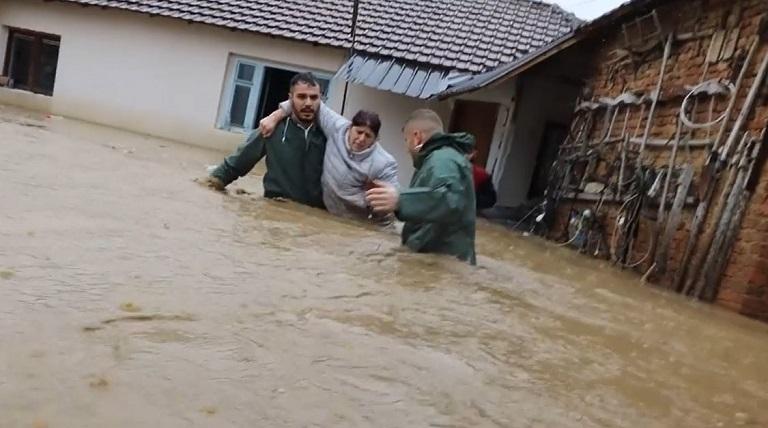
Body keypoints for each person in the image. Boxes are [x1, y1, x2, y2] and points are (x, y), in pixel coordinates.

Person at [365, 109, 477, 264]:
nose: (406, 148)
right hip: (439, 260)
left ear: (417, 138)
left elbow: (450, 199)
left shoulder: (442, 160)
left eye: (406, 140)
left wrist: (400, 200)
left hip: (443, 266)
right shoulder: (440, 158)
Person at [199, 73, 326, 209]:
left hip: (316, 214)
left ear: (321, 99)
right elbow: (235, 164)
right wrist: (207, 187)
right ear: (290, 99)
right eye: (301, 97)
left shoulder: (329, 134)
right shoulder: (271, 129)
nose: (308, 103)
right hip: (275, 209)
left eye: (313, 98)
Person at [259, 100, 399, 223]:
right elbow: (310, 103)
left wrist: (390, 198)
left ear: (375, 140)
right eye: (359, 132)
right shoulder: (336, 128)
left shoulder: (383, 163)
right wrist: (274, 117)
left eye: (368, 136)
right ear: (350, 128)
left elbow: (395, 195)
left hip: (357, 222)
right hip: (326, 214)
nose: (361, 139)